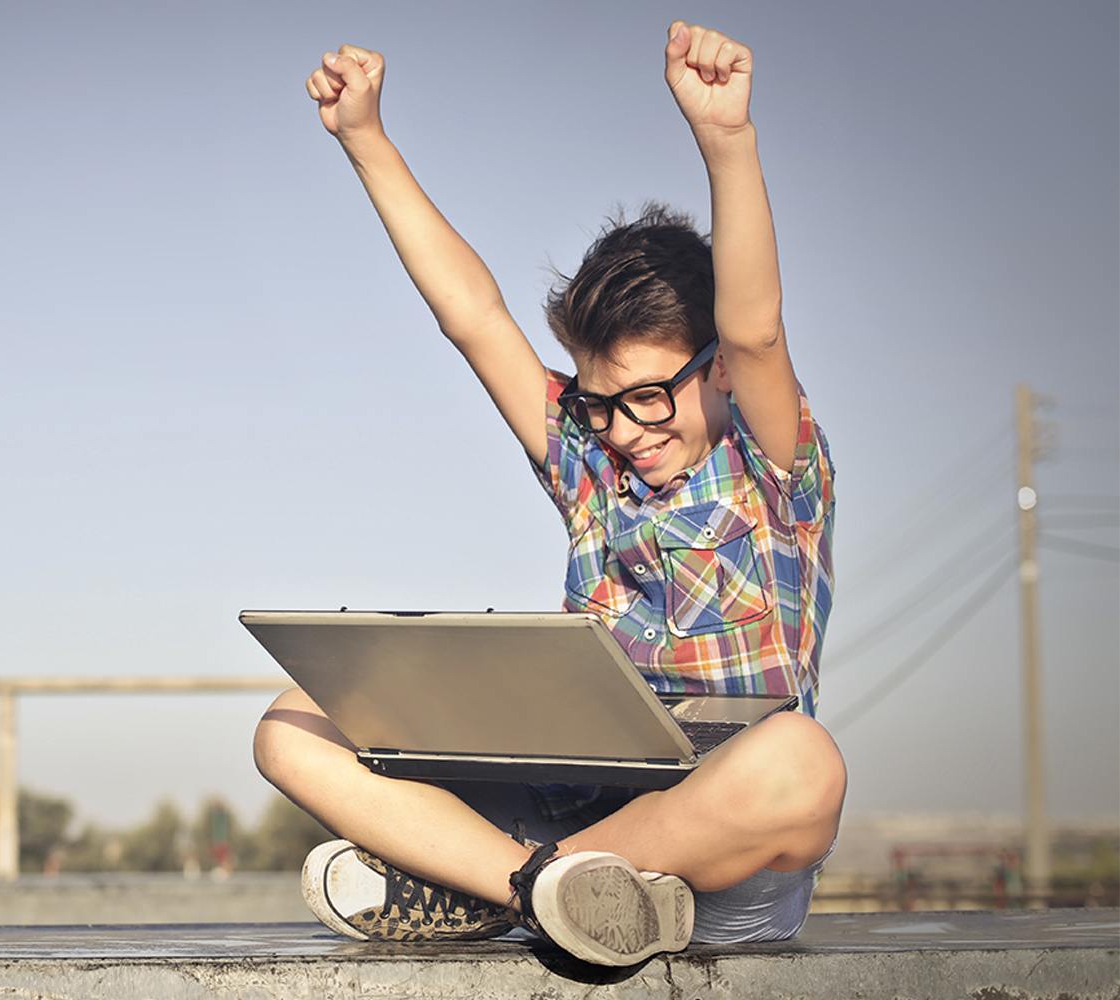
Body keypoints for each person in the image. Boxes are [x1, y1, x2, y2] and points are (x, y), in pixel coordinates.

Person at [253, 20, 846, 967]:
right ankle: (540, 891)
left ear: (718, 372)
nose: (627, 428)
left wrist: (724, 140)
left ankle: (488, 884)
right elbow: (472, 316)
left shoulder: (769, 466)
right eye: (603, 404)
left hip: (715, 854)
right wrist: (364, 137)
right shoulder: (586, 455)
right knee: (291, 723)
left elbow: (757, 327)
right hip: (571, 802)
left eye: (651, 397)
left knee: (802, 764)